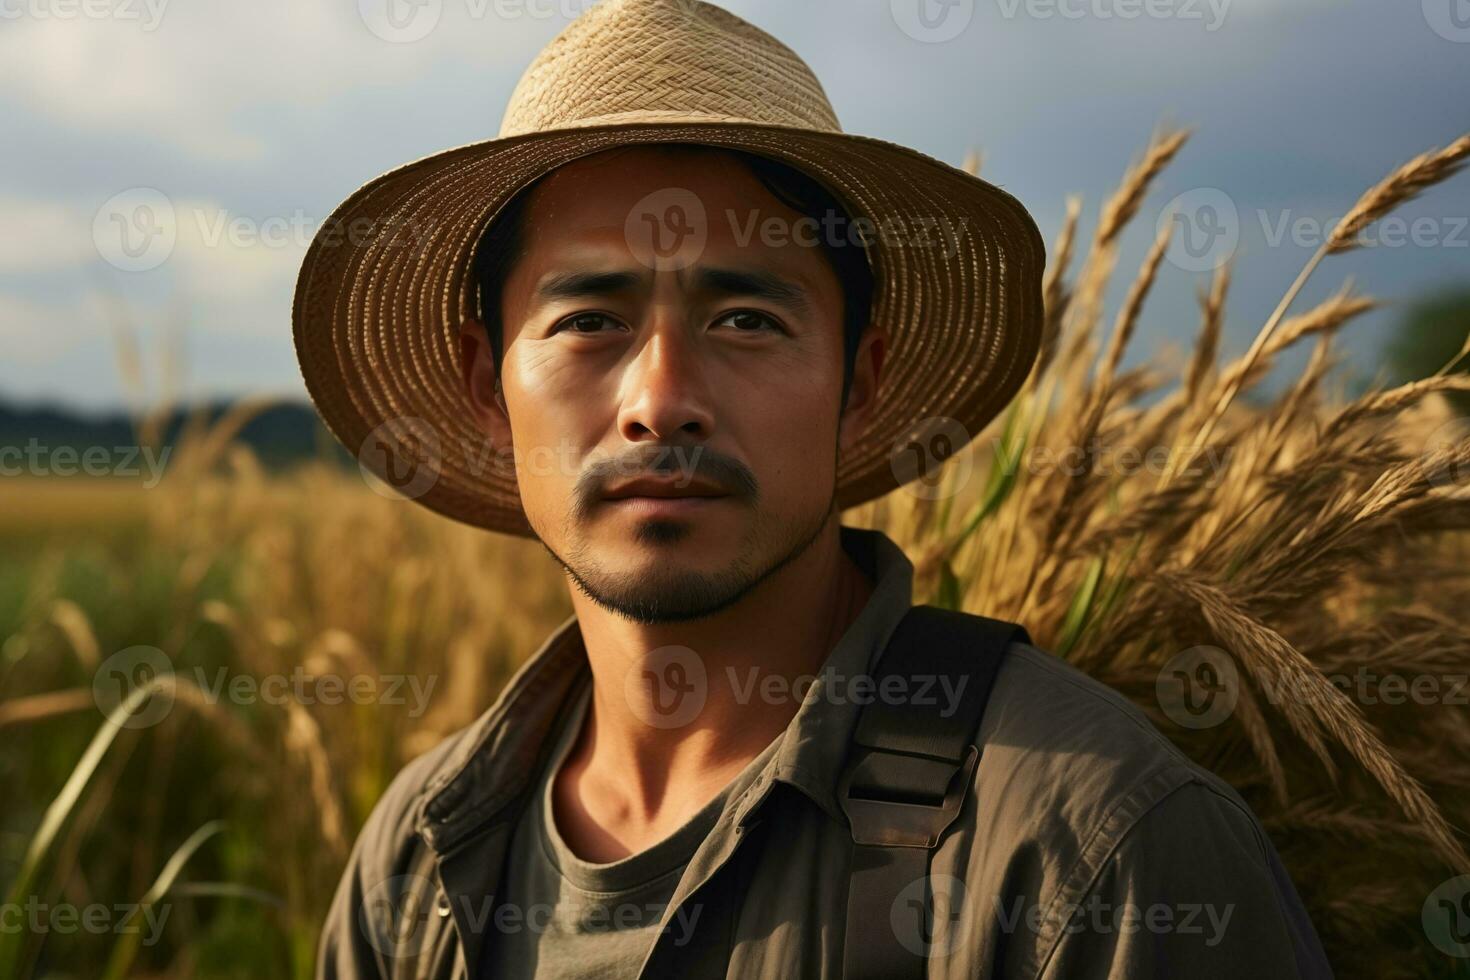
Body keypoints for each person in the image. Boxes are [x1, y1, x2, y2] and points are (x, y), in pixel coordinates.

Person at [294, 1, 1333, 976]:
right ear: (488, 384)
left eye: (746, 318)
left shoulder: (1085, 846)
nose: (662, 400)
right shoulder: (416, 861)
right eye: (589, 320)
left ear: (861, 385)